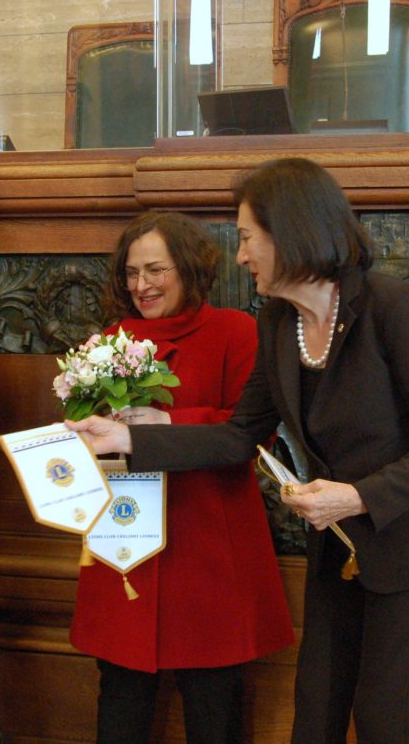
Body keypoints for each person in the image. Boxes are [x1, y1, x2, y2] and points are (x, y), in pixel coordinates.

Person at [68, 158, 409, 743]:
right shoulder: (277, 322)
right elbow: (240, 434)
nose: (240, 256)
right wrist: (129, 438)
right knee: (315, 713)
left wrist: (358, 497)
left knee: (384, 719)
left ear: (291, 232)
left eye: (246, 238)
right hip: (338, 547)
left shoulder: (392, 306)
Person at [70, 212, 294, 743]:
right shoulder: (111, 339)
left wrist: (165, 423)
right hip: (128, 542)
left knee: (214, 702)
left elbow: (253, 433)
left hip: (209, 545)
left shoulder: (237, 331)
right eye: (131, 273)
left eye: (155, 270)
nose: (141, 285)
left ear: (190, 269)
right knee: (120, 696)